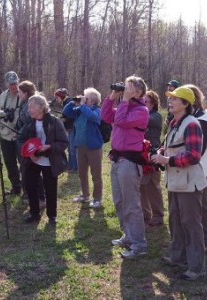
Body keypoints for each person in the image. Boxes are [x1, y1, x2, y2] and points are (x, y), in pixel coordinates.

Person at [150, 86, 207, 281]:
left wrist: (168, 161)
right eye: (171, 98)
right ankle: (178, 257)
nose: (170, 101)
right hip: (175, 181)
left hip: (189, 183)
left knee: (191, 224)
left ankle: (196, 267)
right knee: (175, 221)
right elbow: (170, 147)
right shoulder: (174, 122)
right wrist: (161, 153)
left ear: (185, 103)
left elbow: (194, 156)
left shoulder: (192, 124)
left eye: (175, 99)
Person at [101, 75, 149, 259]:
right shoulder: (125, 106)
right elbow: (105, 116)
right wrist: (112, 97)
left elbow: (120, 120)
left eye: (128, 88)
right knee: (119, 201)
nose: (125, 91)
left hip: (130, 162)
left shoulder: (142, 111)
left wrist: (125, 101)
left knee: (131, 205)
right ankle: (128, 236)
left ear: (137, 92)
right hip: (117, 159)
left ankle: (139, 244)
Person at [18, 95, 69, 226]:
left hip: (50, 160)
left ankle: (52, 215)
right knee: (30, 186)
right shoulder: (29, 123)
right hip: (33, 160)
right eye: (28, 107)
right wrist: (29, 154)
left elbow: (64, 142)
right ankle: (34, 213)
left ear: (41, 107)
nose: (29, 110)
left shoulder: (55, 122)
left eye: (32, 107)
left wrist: (50, 147)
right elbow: (21, 140)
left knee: (50, 188)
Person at [186, 84, 207, 252]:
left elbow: (199, 149)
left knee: (201, 206)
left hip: (202, 168)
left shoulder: (202, 118)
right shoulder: (190, 117)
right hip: (191, 168)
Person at [63, 88, 104, 208]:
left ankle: (97, 199)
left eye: (86, 98)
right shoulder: (79, 110)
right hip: (80, 146)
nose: (83, 99)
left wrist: (82, 105)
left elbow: (92, 117)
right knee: (82, 173)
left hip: (94, 147)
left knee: (96, 174)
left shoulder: (97, 110)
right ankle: (85, 195)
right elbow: (66, 112)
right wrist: (72, 102)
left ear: (92, 100)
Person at [16, 81, 46, 206]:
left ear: (25, 93)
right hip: (25, 139)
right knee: (26, 169)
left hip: (31, 142)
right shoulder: (24, 104)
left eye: (19, 92)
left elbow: (29, 122)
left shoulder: (32, 104)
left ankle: (41, 198)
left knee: (33, 170)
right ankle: (30, 194)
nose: (18, 94)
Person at [0, 71, 23, 195]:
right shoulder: (2, 97)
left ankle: (27, 189)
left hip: (19, 136)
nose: (13, 86)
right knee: (10, 163)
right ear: (7, 84)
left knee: (24, 163)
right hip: (5, 135)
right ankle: (16, 187)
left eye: (15, 83)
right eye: (11, 84)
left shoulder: (23, 96)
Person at [140, 90, 164, 227]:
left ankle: (158, 215)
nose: (142, 104)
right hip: (140, 154)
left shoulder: (156, 116)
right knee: (142, 186)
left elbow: (144, 119)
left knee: (153, 186)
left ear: (153, 104)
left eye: (145, 102)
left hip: (152, 154)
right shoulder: (144, 114)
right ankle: (145, 214)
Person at [55, 88, 78, 173]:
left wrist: (64, 119)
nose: (56, 100)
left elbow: (72, 115)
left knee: (72, 149)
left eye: (57, 98)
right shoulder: (66, 102)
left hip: (72, 128)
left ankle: (74, 167)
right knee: (69, 148)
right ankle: (70, 166)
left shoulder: (69, 102)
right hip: (69, 128)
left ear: (61, 96)